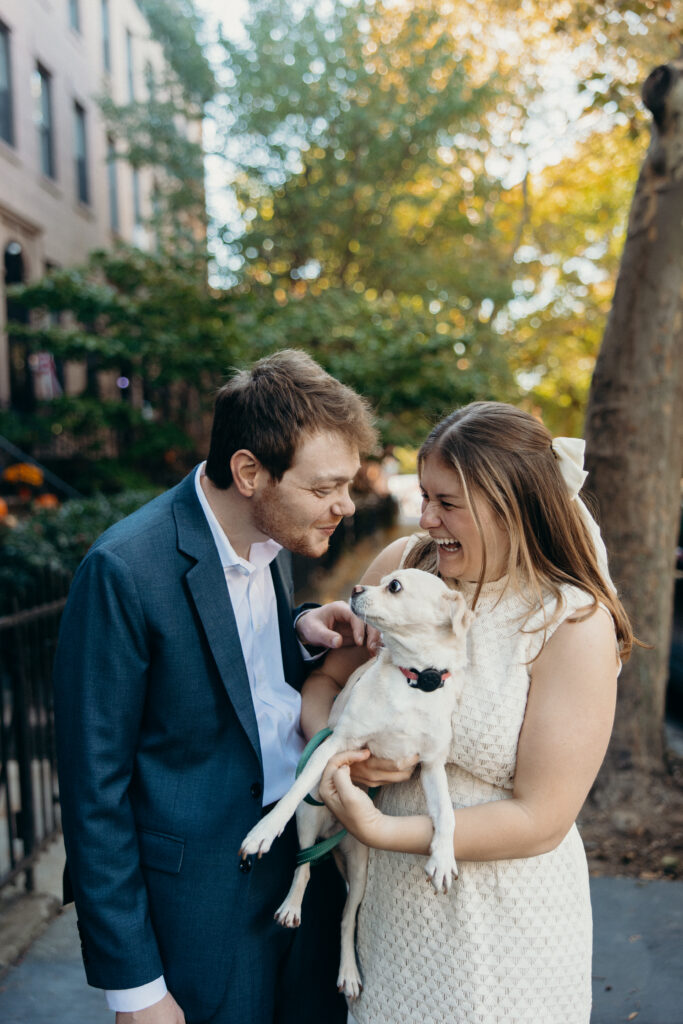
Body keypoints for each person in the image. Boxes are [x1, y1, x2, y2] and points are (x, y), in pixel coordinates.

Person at [53, 350, 410, 1024]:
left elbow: (234, 674)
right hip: (199, 909)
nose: (344, 505)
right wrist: (137, 990)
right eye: (324, 486)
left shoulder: (272, 539)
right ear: (249, 472)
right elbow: (91, 791)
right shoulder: (124, 569)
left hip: (302, 869)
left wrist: (301, 627)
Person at [301, 401, 632, 1024]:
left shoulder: (571, 621)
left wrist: (380, 831)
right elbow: (327, 681)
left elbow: (543, 818)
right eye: (425, 496)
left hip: (506, 932)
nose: (426, 518)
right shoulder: (404, 567)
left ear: (512, 504)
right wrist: (333, 752)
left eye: (447, 503)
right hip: (391, 920)